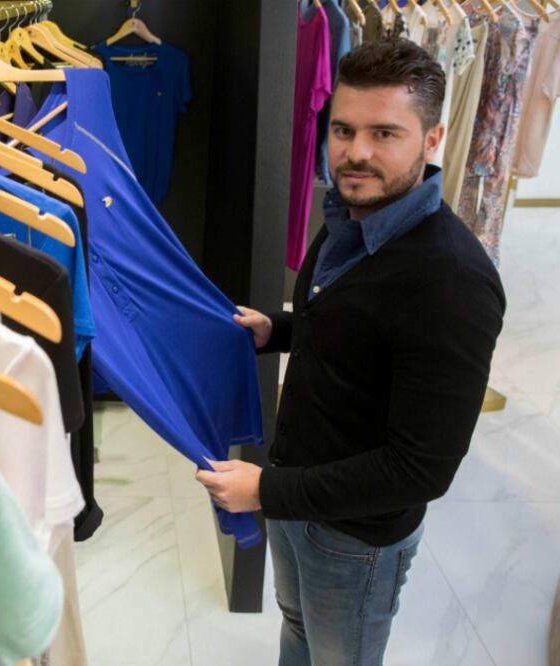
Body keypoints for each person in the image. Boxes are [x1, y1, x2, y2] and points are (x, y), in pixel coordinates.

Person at [195, 38, 505, 665]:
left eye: (384, 133)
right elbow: (357, 330)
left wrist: (269, 492)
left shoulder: (452, 281)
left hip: (354, 537)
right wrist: (278, 330)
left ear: (433, 137)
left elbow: (422, 470)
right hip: (295, 491)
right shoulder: (351, 216)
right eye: (343, 129)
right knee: (298, 629)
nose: (356, 152)